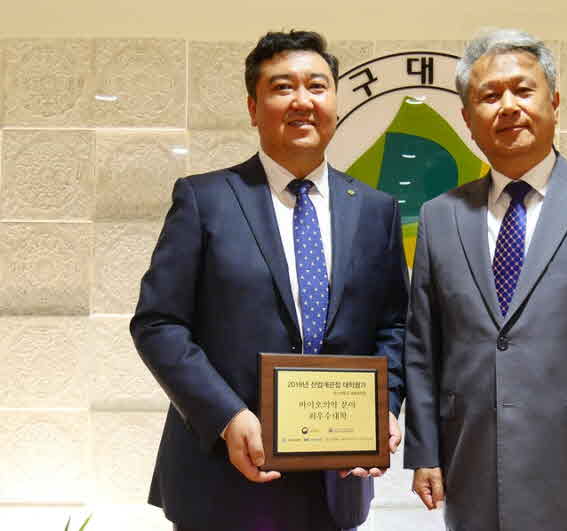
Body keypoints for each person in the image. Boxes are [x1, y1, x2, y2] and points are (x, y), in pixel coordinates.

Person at [130, 30, 408, 531]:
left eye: (317, 86)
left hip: (336, 482)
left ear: (335, 101)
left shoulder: (376, 210)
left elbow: (395, 326)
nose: (303, 100)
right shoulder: (204, 200)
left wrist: (381, 406)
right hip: (222, 478)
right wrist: (226, 416)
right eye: (282, 87)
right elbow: (158, 323)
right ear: (253, 108)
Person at [403, 29, 567, 531]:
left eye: (523, 90)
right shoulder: (440, 216)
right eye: (489, 96)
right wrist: (424, 450)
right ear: (467, 120)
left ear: (554, 101)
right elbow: (423, 348)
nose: (508, 106)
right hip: (472, 469)